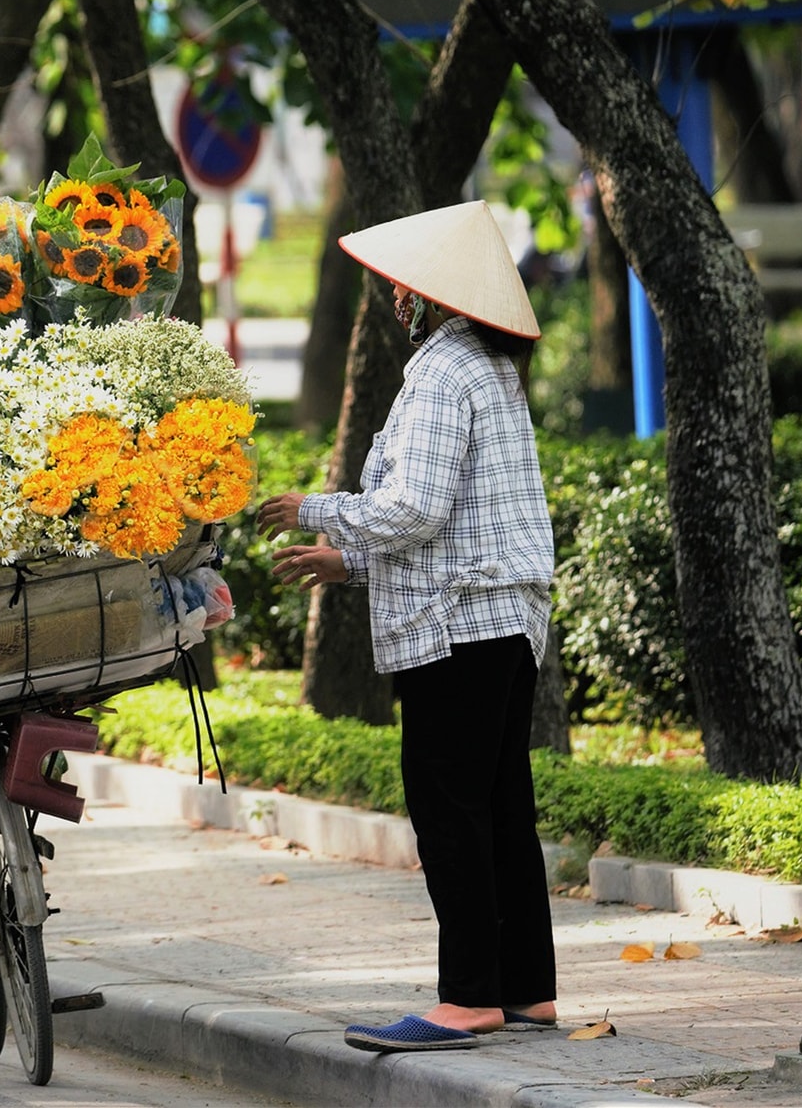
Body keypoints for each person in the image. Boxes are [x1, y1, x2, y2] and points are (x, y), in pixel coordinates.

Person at [255, 201, 556, 1055]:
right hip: (504, 618)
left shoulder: (440, 370)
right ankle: (525, 991)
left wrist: (319, 510)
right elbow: (455, 520)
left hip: (459, 628)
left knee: (447, 807)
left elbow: (414, 509)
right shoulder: (487, 367)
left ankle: (466, 998)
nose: (395, 297)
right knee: (500, 807)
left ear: (436, 294)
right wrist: (346, 564)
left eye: (402, 285)